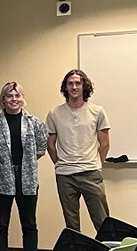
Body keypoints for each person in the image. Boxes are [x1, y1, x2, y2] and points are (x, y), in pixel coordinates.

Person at [0, 81, 48, 251]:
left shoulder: (35, 123)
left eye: (17, 96)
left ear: (23, 98)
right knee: (1, 225)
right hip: (1, 180)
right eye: (9, 96)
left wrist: (23, 166)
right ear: (3, 100)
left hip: (27, 180)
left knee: (29, 224)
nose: (14, 99)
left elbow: (40, 149)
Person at [46, 69, 111, 233]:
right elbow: (51, 144)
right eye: (70, 83)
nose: (74, 87)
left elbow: (104, 144)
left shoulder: (97, 111)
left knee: (102, 221)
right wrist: (61, 163)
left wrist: (96, 164)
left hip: (90, 172)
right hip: (65, 175)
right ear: (65, 87)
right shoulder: (54, 113)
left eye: (78, 83)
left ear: (84, 86)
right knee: (72, 225)